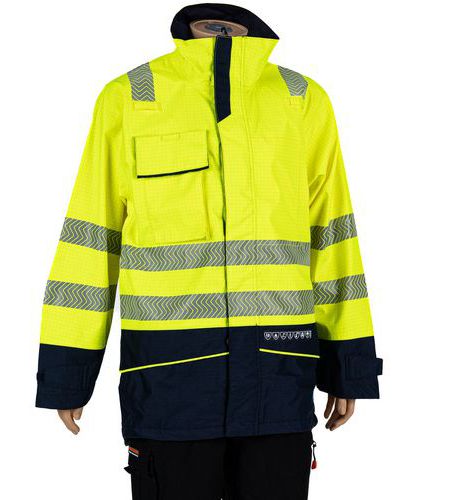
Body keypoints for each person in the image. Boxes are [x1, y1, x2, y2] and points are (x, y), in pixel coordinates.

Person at [36, 4, 382, 499]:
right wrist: (67, 373)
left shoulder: (301, 99)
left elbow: (332, 238)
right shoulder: (131, 96)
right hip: (169, 384)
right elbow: (91, 240)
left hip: (277, 377)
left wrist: (347, 365)